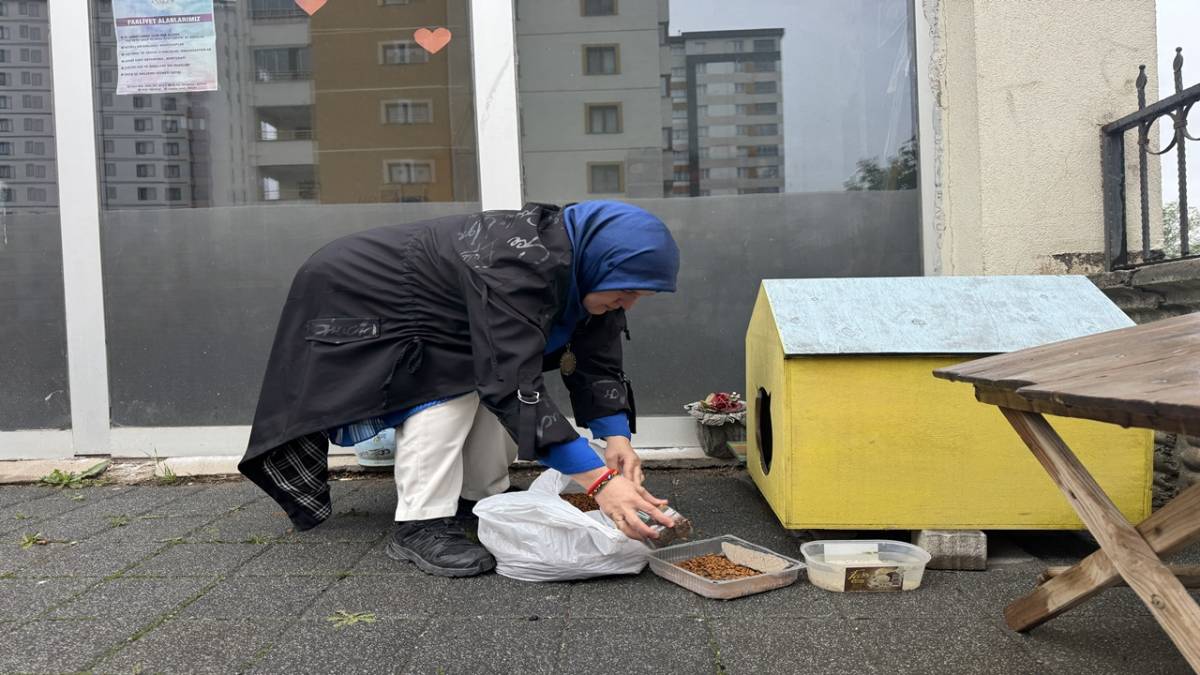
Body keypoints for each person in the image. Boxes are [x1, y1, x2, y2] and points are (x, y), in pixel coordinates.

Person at [239, 201, 681, 577]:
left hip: (443, 301)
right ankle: (420, 521)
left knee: (483, 377)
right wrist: (600, 481)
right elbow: (512, 384)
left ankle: (480, 494)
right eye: (626, 291)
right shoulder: (516, 266)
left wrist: (616, 438)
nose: (628, 304)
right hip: (362, 290)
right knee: (440, 393)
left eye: (640, 296)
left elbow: (595, 360)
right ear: (600, 262)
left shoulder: (588, 267)